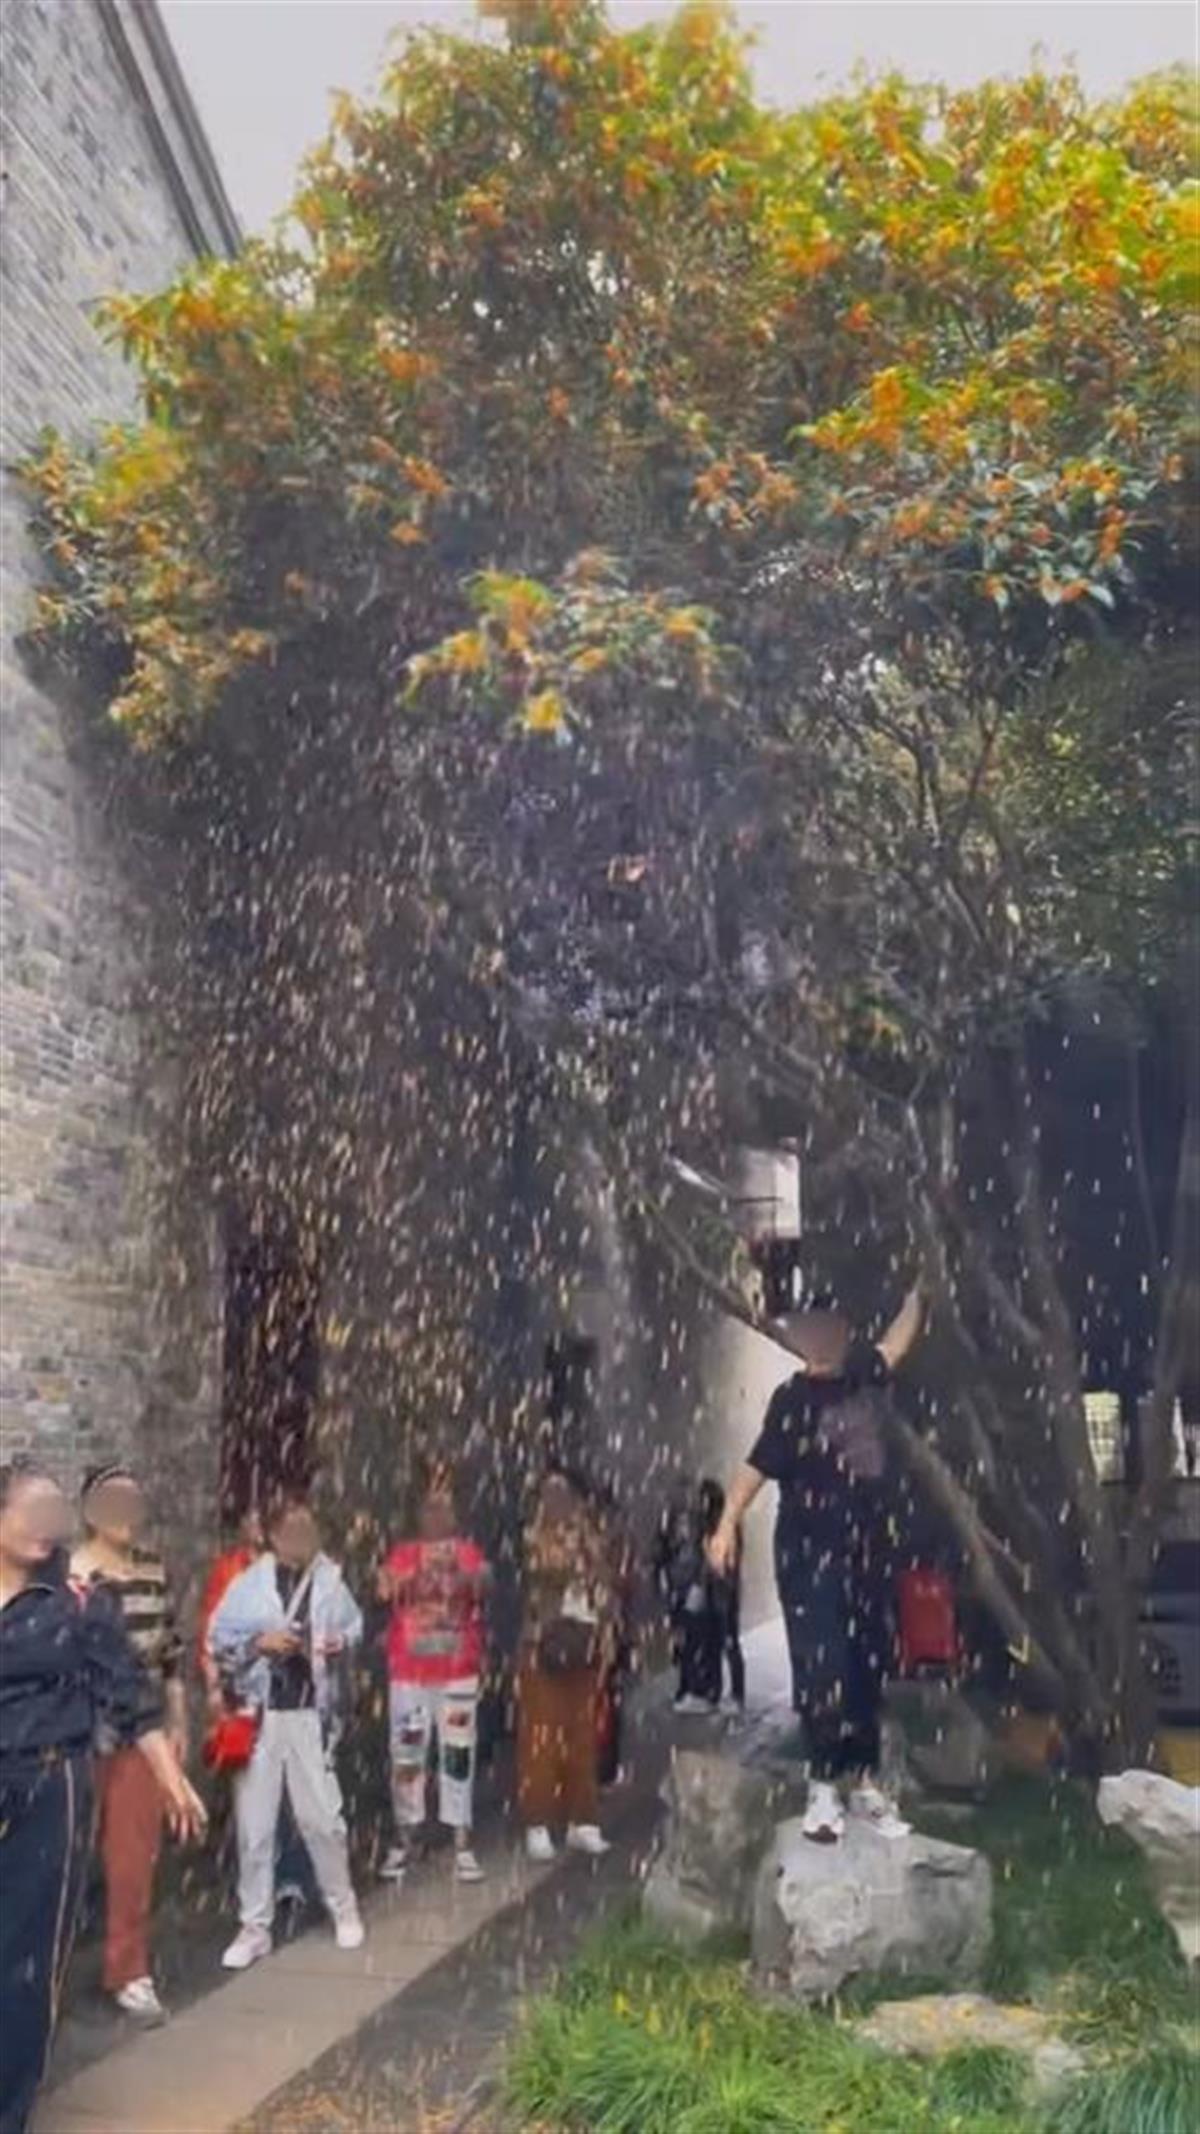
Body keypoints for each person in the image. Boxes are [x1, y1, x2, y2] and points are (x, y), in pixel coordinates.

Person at [0, 1461, 205, 2134]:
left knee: (27, 1965)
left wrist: (171, 1775)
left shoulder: (80, 1601)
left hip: (48, 1785)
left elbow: (127, 1691)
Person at [709, 1284, 924, 1843]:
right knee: (821, 1664)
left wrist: (922, 1290)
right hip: (809, 1555)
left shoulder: (864, 1377)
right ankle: (823, 1785)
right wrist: (727, 1521)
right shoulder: (791, 1400)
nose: (820, 1336)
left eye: (830, 1325)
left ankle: (864, 1782)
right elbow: (757, 1465)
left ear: (845, 1332)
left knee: (866, 1663)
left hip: (868, 1550)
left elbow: (897, 1344)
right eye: (811, 1327)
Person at [210, 1495, 365, 1969]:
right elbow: (220, 1640)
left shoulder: (330, 1579)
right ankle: (254, 1925)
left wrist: (338, 1642)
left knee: (322, 1818)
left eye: (308, 1529)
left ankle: (344, 1906)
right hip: (260, 1715)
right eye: (292, 1530)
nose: (302, 1539)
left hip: (307, 1714)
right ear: (274, 1537)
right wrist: (261, 1643)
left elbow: (355, 1626)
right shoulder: (248, 1584)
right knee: (255, 1828)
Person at [71, 1465, 186, 2027]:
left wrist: (178, 1722)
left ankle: (128, 1968)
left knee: (132, 1857)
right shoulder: (70, 1575)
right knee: (57, 1854)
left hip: (142, 1733)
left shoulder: (152, 1571)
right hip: (77, 1732)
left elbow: (170, 1656)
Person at [376, 1465, 489, 1884]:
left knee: (459, 1751)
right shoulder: (403, 1554)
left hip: (457, 1672)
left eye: (445, 1508)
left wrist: (457, 1573)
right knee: (407, 1754)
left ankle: (462, 1840)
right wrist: (418, 1571)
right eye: (430, 1509)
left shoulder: (468, 1552)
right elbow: (383, 1589)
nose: (438, 1517)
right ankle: (406, 1837)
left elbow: (482, 1584)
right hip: (409, 1672)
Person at [517, 1466, 614, 1862]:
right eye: (549, 1495)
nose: (558, 1504)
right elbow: (546, 1570)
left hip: (585, 1643)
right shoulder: (532, 1538)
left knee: (582, 1738)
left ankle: (583, 1821)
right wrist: (572, 1549)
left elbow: (605, 1586)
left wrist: (608, 1634)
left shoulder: (590, 1539)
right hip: (546, 1644)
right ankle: (538, 1822)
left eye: (563, 1495)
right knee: (541, 1739)